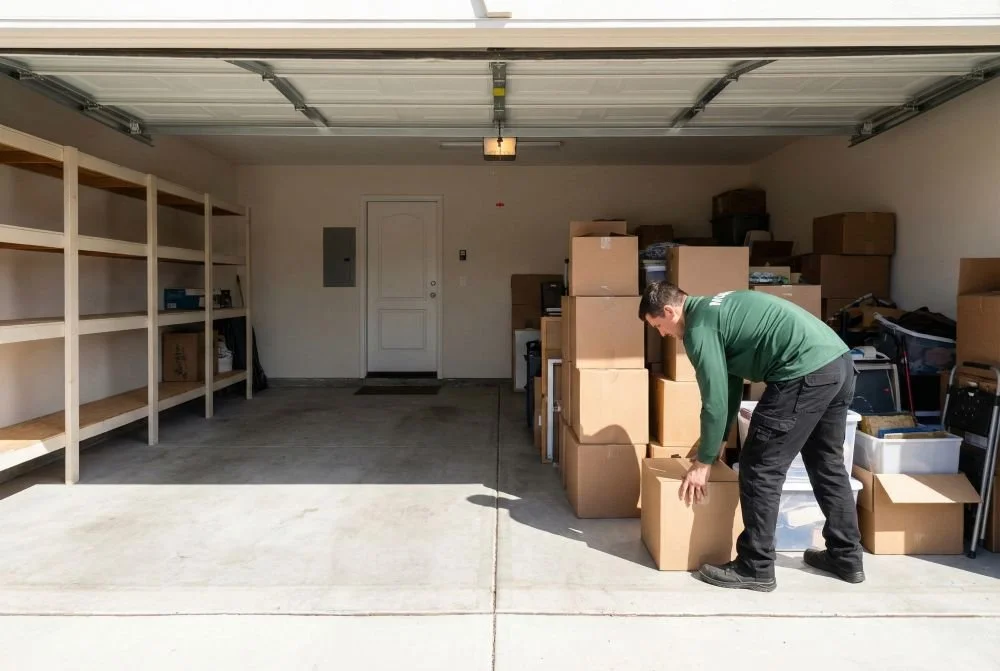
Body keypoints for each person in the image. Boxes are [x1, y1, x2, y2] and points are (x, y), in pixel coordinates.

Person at [638, 282, 864, 592]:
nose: (663, 334)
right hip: (838, 363)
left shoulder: (698, 329)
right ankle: (846, 556)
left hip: (802, 372)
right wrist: (715, 443)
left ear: (669, 311)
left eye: (659, 326)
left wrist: (703, 463)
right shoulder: (717, 308)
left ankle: (755, 566)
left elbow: (714, 399)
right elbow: (729, 385)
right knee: (827, 464)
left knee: (760, 468)